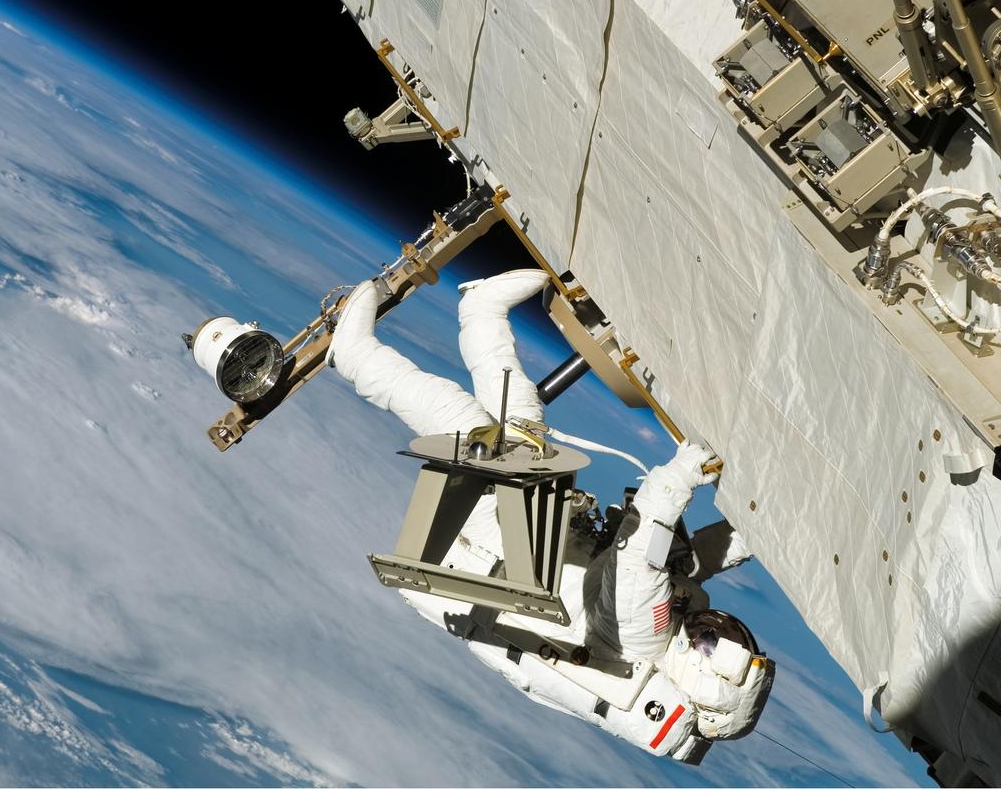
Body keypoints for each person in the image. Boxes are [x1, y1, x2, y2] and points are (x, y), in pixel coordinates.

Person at [327, 269, 771, 762]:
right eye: (725, 630)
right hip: (534, 544)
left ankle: (353, 357)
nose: (711, 628)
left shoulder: (644, 636)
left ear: (700, 677)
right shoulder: (672, 630)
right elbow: (693, 563)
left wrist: (686, 470)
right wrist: (759, 531)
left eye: (712, 641)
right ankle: (480, 312)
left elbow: (641, 554)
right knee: (522, 428)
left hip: (493, 548)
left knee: (464, 423)